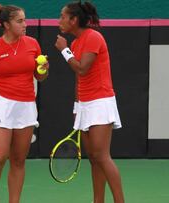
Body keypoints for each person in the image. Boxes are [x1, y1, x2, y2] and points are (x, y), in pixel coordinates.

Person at [0, 3, 49, 203]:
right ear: (6, 24)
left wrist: (43, 70)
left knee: (18, 160)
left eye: (25, 20)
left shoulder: (33, 44)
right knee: (0, 157)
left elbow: (39, 77)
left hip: (26, 106)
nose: (25, 24)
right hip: (0, 104)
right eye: (20, 21)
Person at [54, 1, 125, 203]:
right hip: (85, 104)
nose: (59, 21)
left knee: (102, 156)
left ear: (74, 20)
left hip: (101, 102)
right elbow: (80, 77)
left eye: (63, 17)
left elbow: (82, 68)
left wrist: (64, 50)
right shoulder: (77, 43)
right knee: (93, 159)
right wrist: (78, 105)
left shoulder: (93, 37)